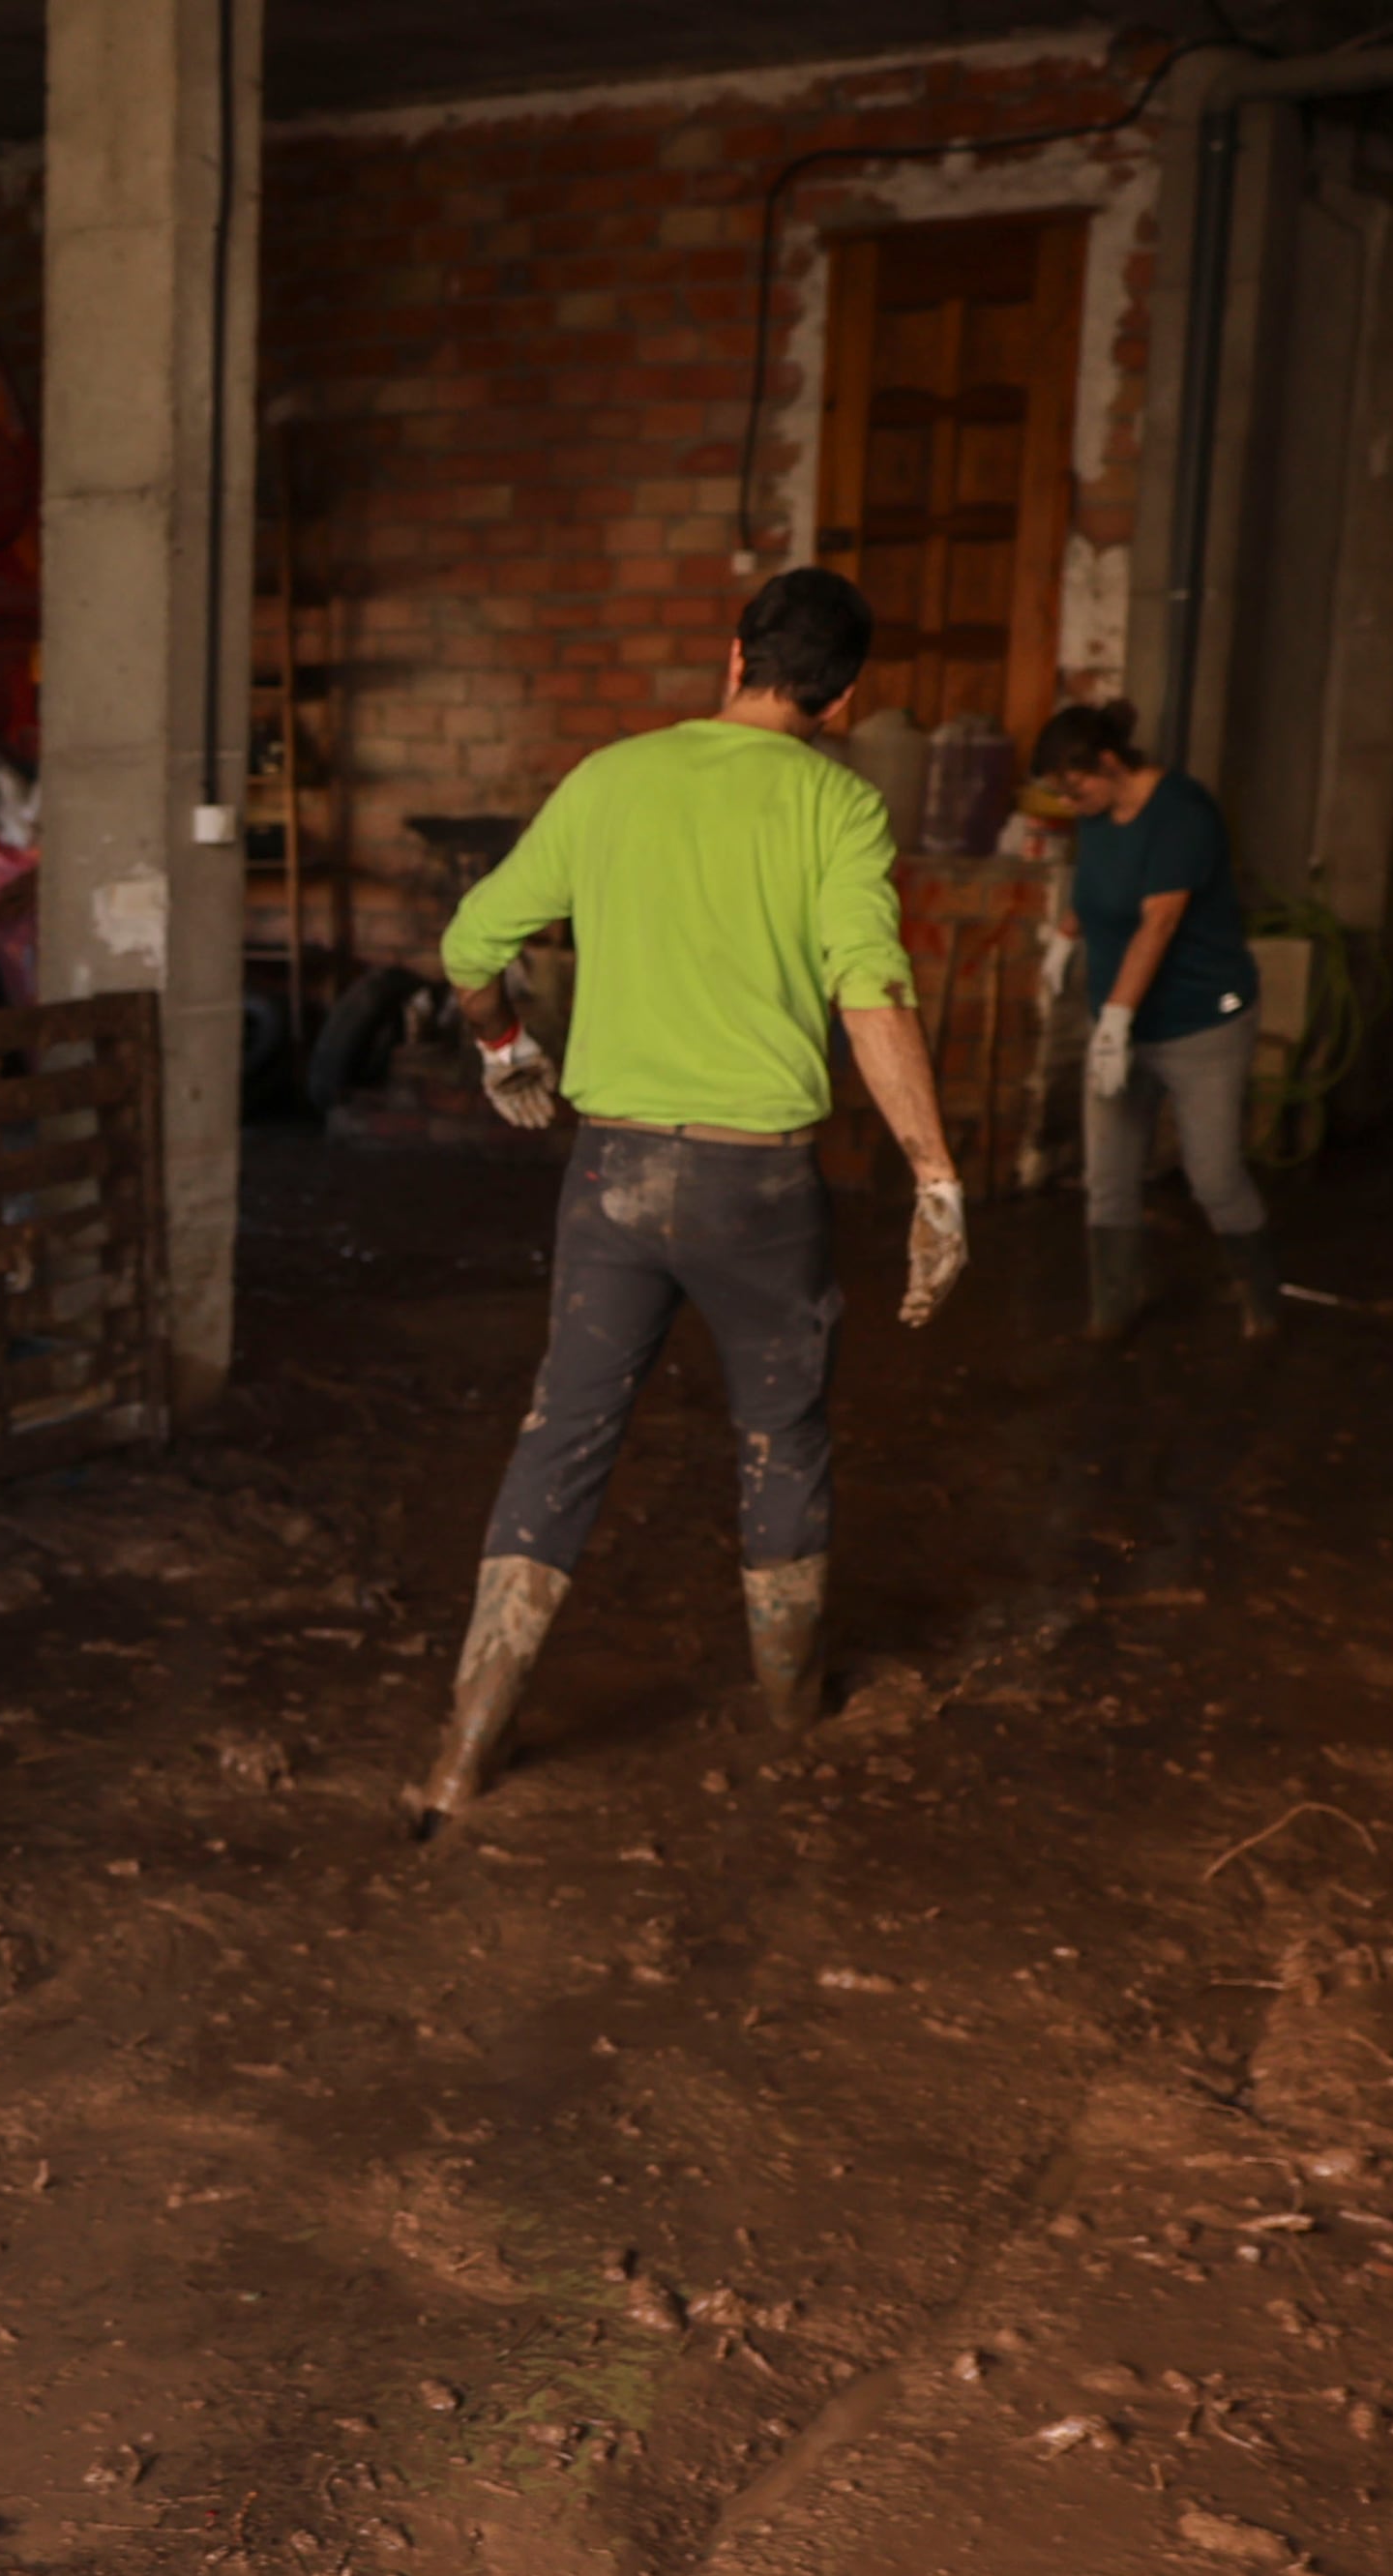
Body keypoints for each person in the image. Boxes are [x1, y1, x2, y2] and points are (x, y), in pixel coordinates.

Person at [402, 566, 974, 1833]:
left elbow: (469, 948)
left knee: (564, 1437)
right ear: (845, 696)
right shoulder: (840, 807)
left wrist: (504, 1050)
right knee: (784, 1431)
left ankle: (462, 1753)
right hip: (758, 1184)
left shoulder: (613, 776)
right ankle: (790, 1716)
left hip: (610, 1173)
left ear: (734, 657)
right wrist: (935, 1174)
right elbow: (870, 992)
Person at [1032, 700, 1275, 1340]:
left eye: (1074, 783)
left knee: (1214, 1174)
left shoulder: (1183, 814)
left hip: (1202, 1022)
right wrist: (1064, 937)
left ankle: (1259, 1295)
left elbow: (1158, 920)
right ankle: (1112, 1303)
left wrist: (1114, 1019)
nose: (1069, 798)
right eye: (1060, 789)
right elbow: (1097, 886)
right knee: (1107, 1174)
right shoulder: (1099, 813)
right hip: (1122, 1024)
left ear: (1110, 763)